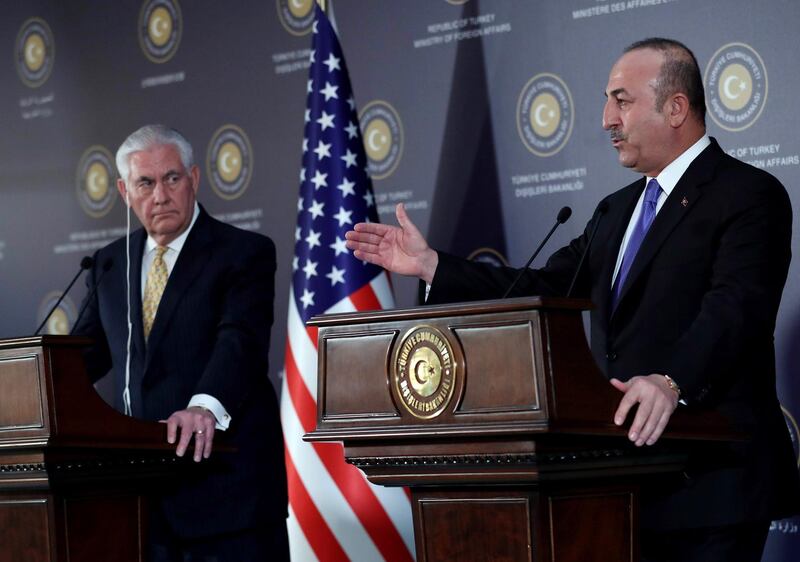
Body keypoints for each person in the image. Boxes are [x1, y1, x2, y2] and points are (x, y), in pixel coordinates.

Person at [346, 38, 800, 561]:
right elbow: (542, 287)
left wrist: (671, 380)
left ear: (676, 107)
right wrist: (432, 266)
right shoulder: (616, 210)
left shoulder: (748, 194)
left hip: (715, 483)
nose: (607, 118)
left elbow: (736, 308)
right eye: (608, 101)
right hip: (624, 481)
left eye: (622, 100)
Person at [73, 124, 288, 561]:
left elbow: (240, 342)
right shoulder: (111, 264)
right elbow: (80, 359)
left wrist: (203, 406)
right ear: (123, 191)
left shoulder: (243, 252)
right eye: (145, 183)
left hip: (229, 500)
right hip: (141, 508)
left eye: (172, 178)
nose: (160, 195)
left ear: (194, 178)